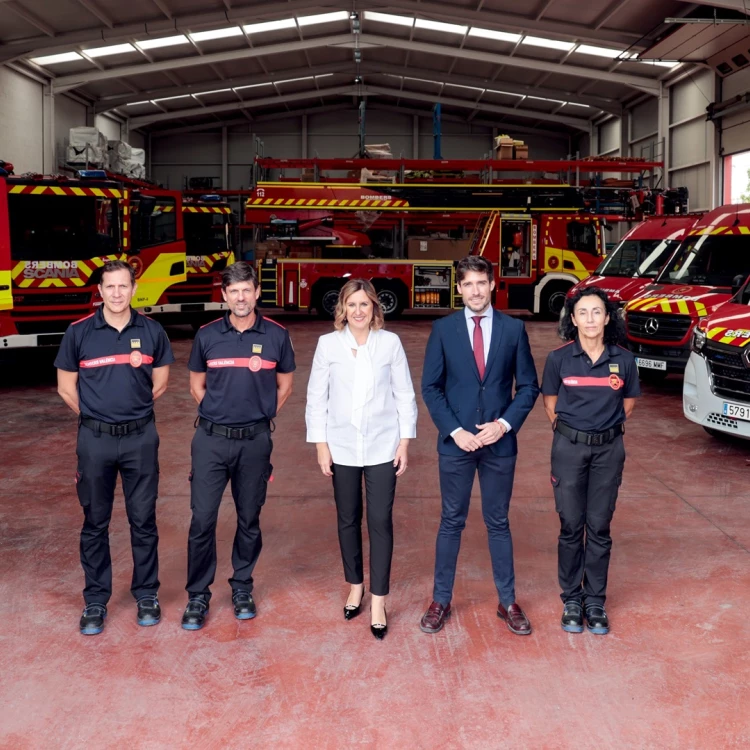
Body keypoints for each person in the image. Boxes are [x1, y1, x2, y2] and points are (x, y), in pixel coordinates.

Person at [420, 255, 539, 636]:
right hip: (457, 445)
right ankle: (440, 600)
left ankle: (508, 602)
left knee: (498, 522)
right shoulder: (443, 329)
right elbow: (431, 388)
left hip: (498, 445)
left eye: (481, 283)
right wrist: (456, 431)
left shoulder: (514, 329)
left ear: (492, 285)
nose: (475, 290)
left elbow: (529, 386)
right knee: (451, 521)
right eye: (468, 284)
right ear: (459, 288)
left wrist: (503, 425)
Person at [55, 260, 174, 635]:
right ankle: (95, 600)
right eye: (111, 287)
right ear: (100, 291)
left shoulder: (153, 331)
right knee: (95, 522)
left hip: (140, 438)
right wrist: (97, 418)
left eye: (124, 286)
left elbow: (160, 382)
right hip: (95, 440)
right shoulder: (79, 332)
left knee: (143, 520)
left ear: (134, 289)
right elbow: (65, 387)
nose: (118, 293)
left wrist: (129, 416)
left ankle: (147, 594)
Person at [182, 261, 295, 630]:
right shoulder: (207, 335)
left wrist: (258, 417)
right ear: (225, 295)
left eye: (247, 290)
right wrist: (220, 415)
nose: (241, 297)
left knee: (249, 519)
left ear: (257, 292)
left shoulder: (277, 334)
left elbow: (285, 386)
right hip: (211, 441)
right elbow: (196, 385)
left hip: (255, 443)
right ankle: (198, 595)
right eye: (234, 291)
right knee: (202, 519)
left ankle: (242, 586)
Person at [306, 279, 417, 640]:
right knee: (347, 518)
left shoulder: (390, 344)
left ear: (374, 308)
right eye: (351, 305)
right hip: (341, 446)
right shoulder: (328, 345)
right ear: (342, 309)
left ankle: (379, 599)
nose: (358, 311)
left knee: (380, 519)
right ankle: (355, 585)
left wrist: (404, 442)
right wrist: (322, 445)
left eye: (364, 305)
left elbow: (404, 394)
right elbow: (315, 398)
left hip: (384, 445)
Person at [541, 287, 639, 635]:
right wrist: (572, 431)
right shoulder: (559, 359)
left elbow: (627, 404)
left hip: (608, 451)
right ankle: (571, 597)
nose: (590, 319)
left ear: (608, 317)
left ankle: (595, 599)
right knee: (571, 525)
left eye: (597, 312)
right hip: (569, 449)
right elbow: (550, 402)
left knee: (599, 526)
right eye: (583, 312)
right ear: (573, 319)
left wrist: (601, 433)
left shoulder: (624, 360)